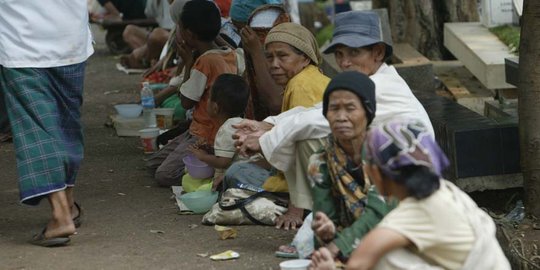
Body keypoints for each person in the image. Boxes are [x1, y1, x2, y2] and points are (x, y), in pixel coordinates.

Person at [310, 119, 511, 270]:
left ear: (379, 172)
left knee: (387, 257)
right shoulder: (446, 192)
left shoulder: (413, 213)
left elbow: (358, 263)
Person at [0, 0, 93, 246]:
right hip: (71, 38)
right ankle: (69, 204)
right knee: (67, 125)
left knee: (37, 129)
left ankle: (61, 215)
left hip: (23, 43)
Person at [145, 0, 245, 187]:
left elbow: (185, 102)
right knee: (152, 163)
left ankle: (209, 167)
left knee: (164, 175)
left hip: (204, 135)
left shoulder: (204, 63)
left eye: (180, 28)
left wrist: (188, 62)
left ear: (189, 34)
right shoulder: (232, 54)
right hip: (203, 129)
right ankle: (204, 163)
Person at [306, 71, 395, 262]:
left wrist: (338, 245)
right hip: (354, 241)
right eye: (334, 108)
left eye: (350, 108)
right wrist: (328, 232)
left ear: (367, 112)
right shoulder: (320, 161)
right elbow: (323, 217)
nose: (341, 117)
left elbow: (379, 213)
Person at [188, 74, 250, 190]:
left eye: (208, 98)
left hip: (234, 181)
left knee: (190, 183)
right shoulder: (241, 123)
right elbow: (230, 153)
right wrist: (210, 150)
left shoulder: (226, 129)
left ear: (215, 107)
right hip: (245, 175)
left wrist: (203, 157)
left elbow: (223, 162)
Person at [240, 4, 291, 120]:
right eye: (258, 34)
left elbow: (277, 104)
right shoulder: (251, 69)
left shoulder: (295, 60)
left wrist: (256, 52)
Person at [120, 0, 176, 68]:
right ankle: (149, 59)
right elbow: (150, 15)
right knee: (129, 30)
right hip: (156, 39)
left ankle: (141, 58)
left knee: (157, 35)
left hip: (174, 38)